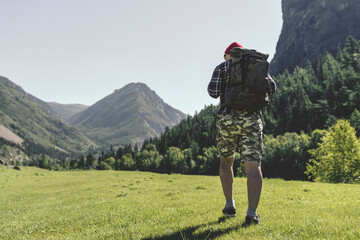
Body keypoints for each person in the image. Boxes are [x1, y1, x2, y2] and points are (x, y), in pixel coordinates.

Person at [207, 42, 276, 225]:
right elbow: (272, 88)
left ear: (229, 54)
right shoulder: (256, 66)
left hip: (227, 119)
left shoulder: (222, 67)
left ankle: (230, 205)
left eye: (225, 55)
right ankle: (252, 213)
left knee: (226, 160)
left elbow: (213, 92)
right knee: (253, 166)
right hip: (252, 120)